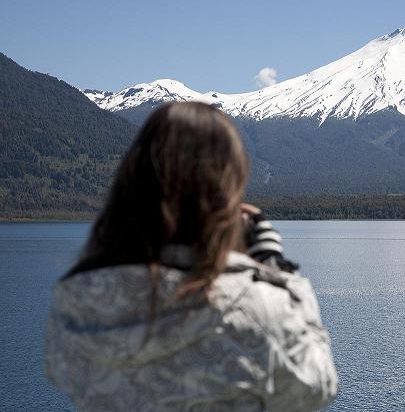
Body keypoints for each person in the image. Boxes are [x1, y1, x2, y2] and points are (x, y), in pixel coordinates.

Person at [44, 102, 337, 411]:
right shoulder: (255, 308)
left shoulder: (75, 304)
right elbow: (317, 386)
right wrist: (273, 267)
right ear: (225, 197)